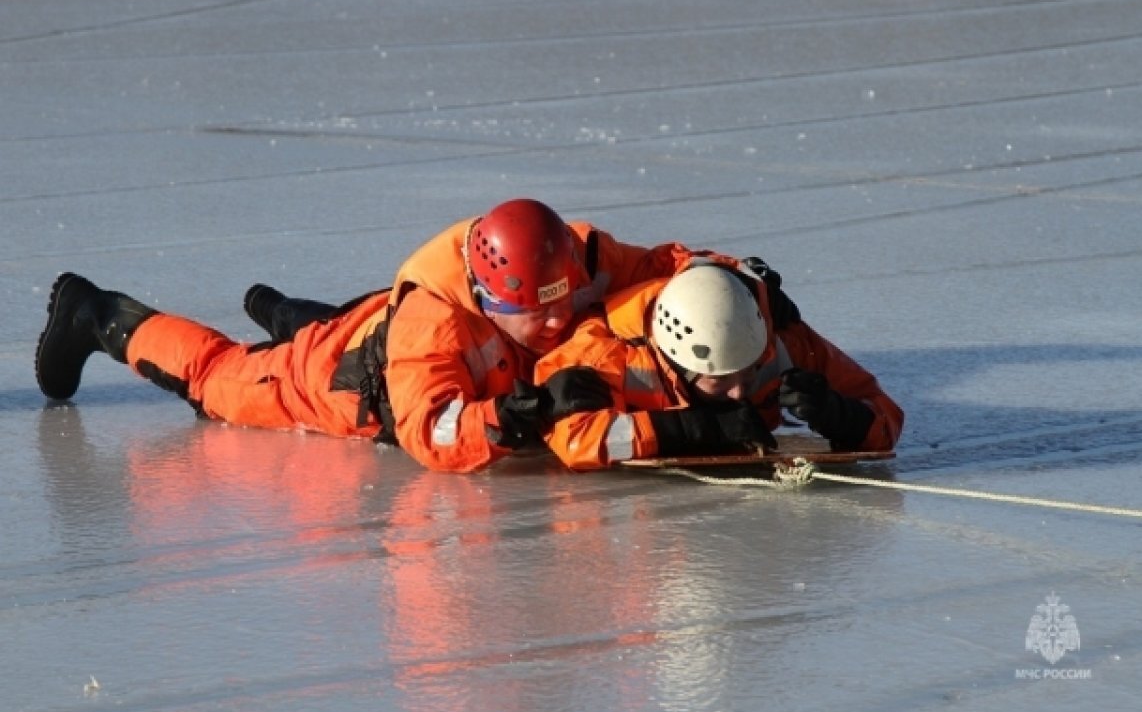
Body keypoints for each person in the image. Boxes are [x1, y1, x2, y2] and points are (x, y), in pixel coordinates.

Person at [35, 199, 747, 473]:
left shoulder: (573, 255)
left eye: (566, 302)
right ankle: (94, 313)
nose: (561, 322)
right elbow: (432, 433)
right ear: (493, 299)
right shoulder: (431, 329)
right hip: (339, 382)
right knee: (217, 376)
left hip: (375, 318)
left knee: (336, 321)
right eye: (541, 315)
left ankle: (288, 311)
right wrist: (523, 414)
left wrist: (734, 276)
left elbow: (660, 263)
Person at [531, 262, 904, 471]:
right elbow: (574, 440)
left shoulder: (785, 341)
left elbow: (885, 416)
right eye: (721, 379)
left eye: (750, 370)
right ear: (676, 365)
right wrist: (698, 428)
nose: (740, 391)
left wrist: (840, 415)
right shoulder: (604, 353)